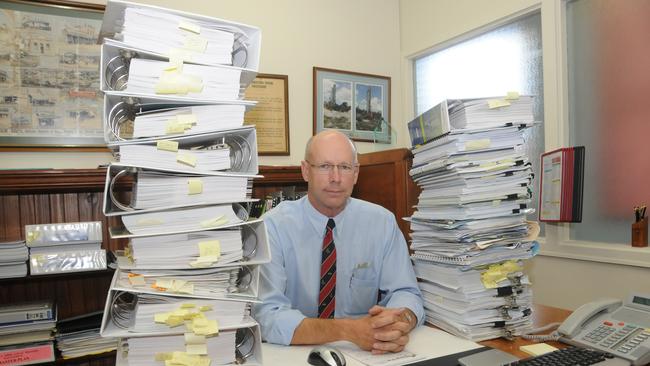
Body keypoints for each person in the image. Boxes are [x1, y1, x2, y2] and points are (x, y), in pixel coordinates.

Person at [253, 130, 424, 354]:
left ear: (355, 173)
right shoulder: (272, 227)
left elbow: (407, 292)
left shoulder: (381, 223)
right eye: (324, 166)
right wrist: (347, 330)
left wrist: (397, 324)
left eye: (344, 167)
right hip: (294, 354)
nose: (336, 178)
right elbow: (267, 314)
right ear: (306, 171)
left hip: (368, 354)